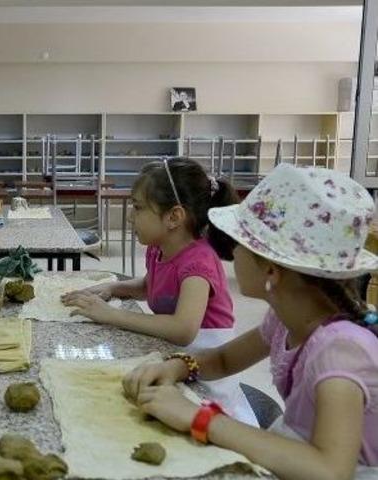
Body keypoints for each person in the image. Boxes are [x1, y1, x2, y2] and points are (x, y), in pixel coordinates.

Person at [123, 164, 378, 479]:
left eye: (240, 243)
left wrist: (200, 418)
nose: (230, 252)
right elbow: (224, 358)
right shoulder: (286, 319)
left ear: (271, 270)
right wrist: (177, 365)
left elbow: (329, 469)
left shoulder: (339, 351)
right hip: (290, 451)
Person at [62, 158, 255, 423]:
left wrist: (110, 315)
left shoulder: (199, 262)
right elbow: (149, 285)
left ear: (174, 217)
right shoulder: (159, 248)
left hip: (207, 378)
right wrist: (113, 287)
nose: (130, 216)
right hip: (175, 358)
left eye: (138, 207)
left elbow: (183, 329)